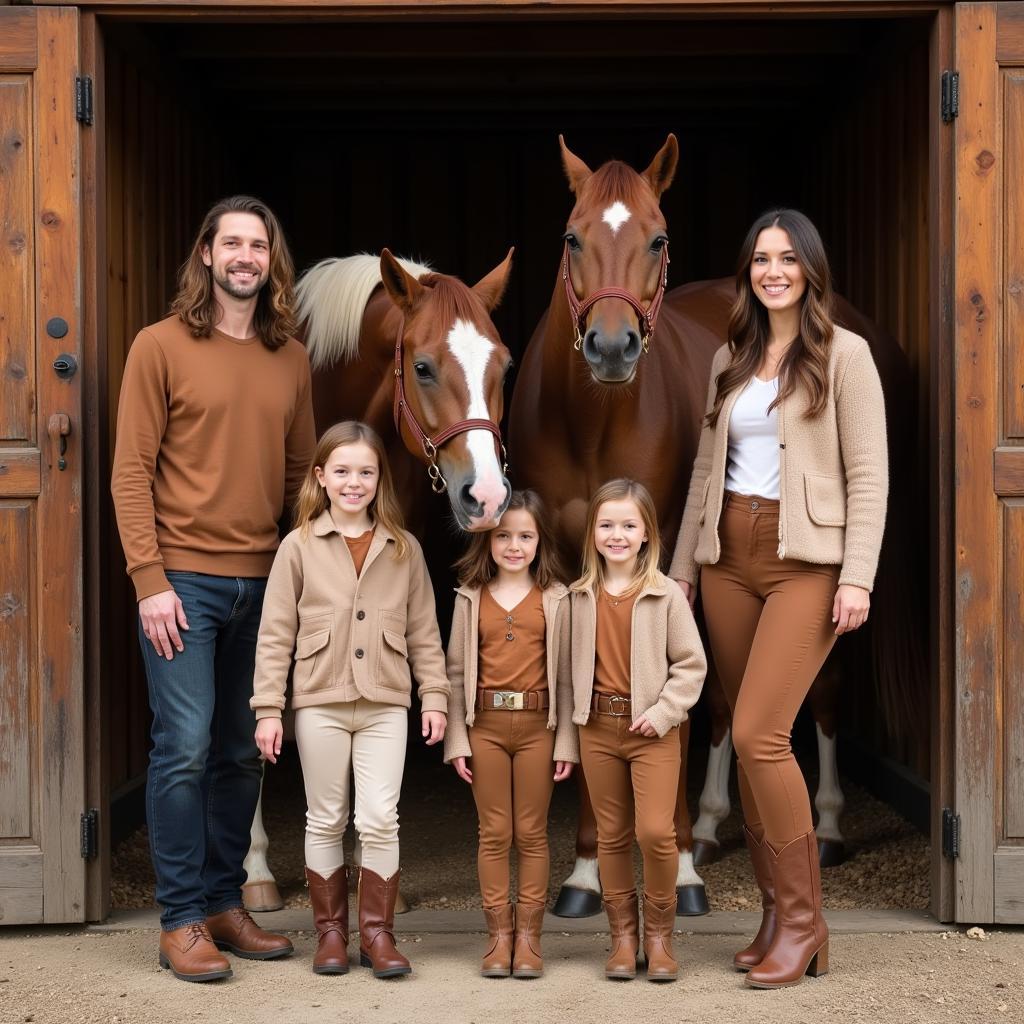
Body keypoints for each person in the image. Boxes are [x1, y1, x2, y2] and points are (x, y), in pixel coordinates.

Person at [669, 208, 888, 989]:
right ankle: (774, 914)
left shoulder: (845, 355)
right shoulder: (732, 355)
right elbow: (703, 469)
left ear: (810, 270)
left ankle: (805, 921)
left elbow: (869, 473)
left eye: (787, 259)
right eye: (761, 259)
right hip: (728, 555)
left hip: (807, 561)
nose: (773, 271)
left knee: (762, 734)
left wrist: (856, 573)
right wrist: (684, 566)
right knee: (739, 723)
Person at [111, 195, 316, 982]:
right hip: (183, 587)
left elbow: (302, 480)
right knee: (185, 748)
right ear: (205, 254)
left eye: (257, 246)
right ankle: (181, 919)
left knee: (239, 751)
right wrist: (149, 581)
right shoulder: (158, 347)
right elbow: (130, 471)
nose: (244, 257)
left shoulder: (290, 356)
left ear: (271, 261)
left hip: (263, 584)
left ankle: (226, 903)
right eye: (231, 243)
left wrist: (302, 584)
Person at [252, 421, 449, 979]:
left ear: (379, 478)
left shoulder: (402, 547)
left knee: (381, 818)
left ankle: (378, 935)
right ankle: (331, 936)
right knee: (325, 818)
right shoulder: (298, 546)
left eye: (365, 472)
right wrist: (269, 709)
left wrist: (433, 697)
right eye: (341, 471)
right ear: (321, 477)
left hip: (386, 701)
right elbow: (275, 634)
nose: (353, 482)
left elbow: (424, 632)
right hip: (319, 700)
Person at [570, 479, 706, 983]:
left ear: (647, 533)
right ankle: (623, 938)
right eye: (606, 525)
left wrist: (666, 711)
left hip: (652, 731)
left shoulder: (665, 593)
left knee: (655, 831)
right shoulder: (576, 598)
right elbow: (565, 678)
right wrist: (570, 739)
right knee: (610, 835)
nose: (617, 535)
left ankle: (660, 938)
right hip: (598, 729)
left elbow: (691, 665)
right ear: (592, 534)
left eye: (628, 525)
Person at [443, 490, 577, 979]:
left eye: (525, 536)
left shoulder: (559, 598)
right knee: (494, 832)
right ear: (488, 541)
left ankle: (530, 939)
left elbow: (566, 677)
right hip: (487, 726)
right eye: (504, 536)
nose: (514, 546)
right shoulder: (469, 596)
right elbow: (455, 673)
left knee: (533, 833)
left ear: (541, 541)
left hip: (540, 726)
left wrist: (567, 743)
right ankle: (499, 937)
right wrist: (457, 740)